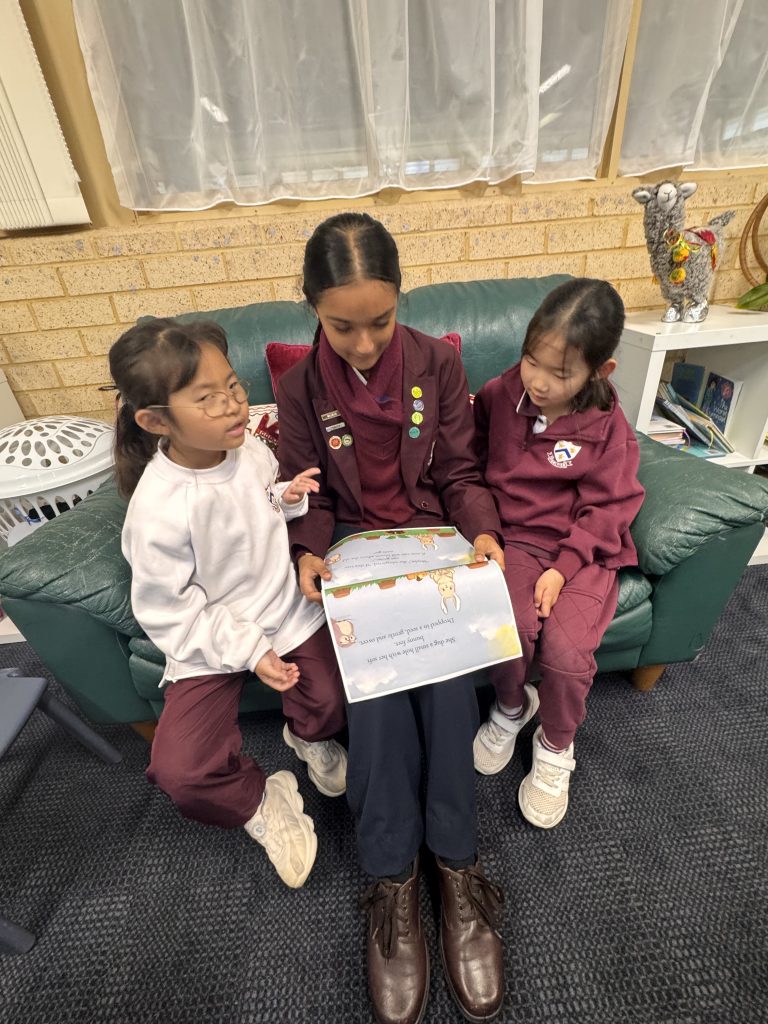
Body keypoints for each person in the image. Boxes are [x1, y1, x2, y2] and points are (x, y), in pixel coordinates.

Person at [277, 212, 506, 1024]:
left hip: (431, 542)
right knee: (375, 689)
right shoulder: (300, 383)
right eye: (343, 326)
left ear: (400, 301)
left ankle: (455, 865)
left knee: (445, 682)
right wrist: (307, 547)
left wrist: (481, 532)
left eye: (380, 320)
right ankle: (393, 882)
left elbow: (460, 468)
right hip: (352, 548)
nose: (365, 342)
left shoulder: (438, 365)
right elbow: (304, 484)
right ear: (311, 310)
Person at [109, 318, 347, 890]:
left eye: (234, 387)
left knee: (339, 701)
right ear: (155, 420)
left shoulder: (250, 450)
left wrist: (286, 500)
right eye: (207, 398)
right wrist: (248, 650)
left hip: (283, 609)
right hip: (213, 638)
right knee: (181, 772)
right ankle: (261, 798)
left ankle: (307, 734)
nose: (234, 406)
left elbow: (257, 507)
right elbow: (169, 611)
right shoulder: (158, 510)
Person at [472, 278, 645, 828]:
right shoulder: (499, 397)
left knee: (567, 656)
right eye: (531, 362)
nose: (539, 382)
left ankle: (555, 745)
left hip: (585, 550)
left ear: (601, 371)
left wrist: (563, 568)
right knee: (507, 628)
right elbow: (469, 467)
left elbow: (610, 508)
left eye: (561, 373)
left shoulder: (608, 427)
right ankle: (512, 705)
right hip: (514, 540)